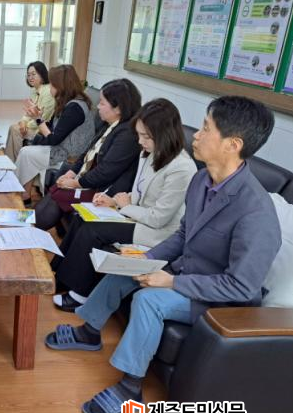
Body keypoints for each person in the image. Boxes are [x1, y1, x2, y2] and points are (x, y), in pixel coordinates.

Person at [44, 96, 281, 413]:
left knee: (150, 300)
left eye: (206, 129)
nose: (196, 135)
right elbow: (183, 236)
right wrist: (145, 259)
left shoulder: (256, 212)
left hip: (219, 299)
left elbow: (240, 286)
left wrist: (172, 281)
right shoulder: (202, 180)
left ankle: (130, 388)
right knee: (123, 268)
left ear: (233, 144)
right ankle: (89, 331)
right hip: (186, 272)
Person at [51, 98, 197, 310]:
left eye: (146, 136)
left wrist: (124, 206)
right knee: (82, 217)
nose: (140, 141)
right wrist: (113, 201)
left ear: (165, 134)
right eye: (139, 134)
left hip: (157, 231)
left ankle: (80, 294)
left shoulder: (182, 168)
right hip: (138, 216)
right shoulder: (149, 153)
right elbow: (140, 193)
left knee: (94, 231)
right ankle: (60, 276)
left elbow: (158, 219)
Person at [35, 78, 142, 231]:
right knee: (57, 190)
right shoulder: (110, 125)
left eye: (102, 103)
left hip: (104, 192)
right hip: (91, 182)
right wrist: (71, 174)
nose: (98, 107)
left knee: (59, 195)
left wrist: (76, 183)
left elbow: (106, 172)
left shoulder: (127, 135)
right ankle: (30, 230)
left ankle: (30, 233)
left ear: (118, 108)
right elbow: (87, 153)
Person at [14, 65, 95, 205]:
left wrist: (38, 119)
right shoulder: (67, 102)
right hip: (62, 148)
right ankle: (24, 195)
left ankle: (19, 194)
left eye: (52, 84)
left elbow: (54, 139)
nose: (49, 87)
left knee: (26, 153)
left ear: (60, 86)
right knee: (26, 152)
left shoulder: (74, 108)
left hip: (69, 155)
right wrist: (38, 118)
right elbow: (51, 127)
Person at [5, 61, 56, 161]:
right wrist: (23, 122)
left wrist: (26, 125)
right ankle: (9, 161)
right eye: (28, 75)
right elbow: (29, 113)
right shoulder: (35, 90)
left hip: (42, 130)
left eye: (33, 74)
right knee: (14, 127)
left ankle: (17, 163)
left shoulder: (48, 92)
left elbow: (43, 117)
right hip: (35, 125)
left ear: (42, 75)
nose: (30, 77)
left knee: (15, 130)